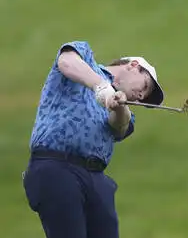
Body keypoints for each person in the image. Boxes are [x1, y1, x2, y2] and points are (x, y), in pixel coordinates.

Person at [22, 40, 164, 238]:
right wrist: (102, 88)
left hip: (95, 178)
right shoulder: (85, 57)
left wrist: (118, 105)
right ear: (133, 66)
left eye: (143, 97)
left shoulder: (127, 111)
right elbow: (66, 62)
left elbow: (119, 126)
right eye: (145, 86)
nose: (140, 96)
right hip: (56, 166)